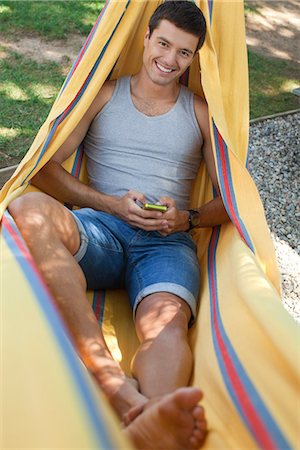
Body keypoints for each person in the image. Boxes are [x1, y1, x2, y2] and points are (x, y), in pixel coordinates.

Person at [9, 2, 230, 449]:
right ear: (145, 38)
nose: (169, 60)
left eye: (184, 53)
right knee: (28, 207)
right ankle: (115, 386)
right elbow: (44, 169)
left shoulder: (201, 112)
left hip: (166, 244)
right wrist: (108, 202)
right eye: (163, 43)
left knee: (164, 326)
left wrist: (184, 217)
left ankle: (157, 414)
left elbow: (231, 199)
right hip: (101, 231)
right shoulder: (106, 95)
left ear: (194, 59)